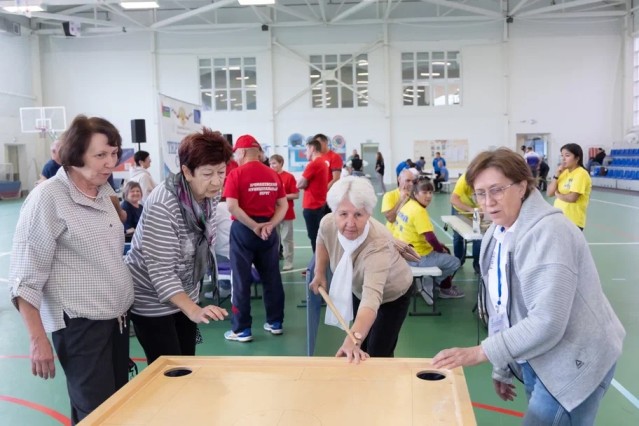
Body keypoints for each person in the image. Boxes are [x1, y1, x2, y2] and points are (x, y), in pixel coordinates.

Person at [433, 148, 625, 426]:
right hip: (537, 356)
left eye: (497, 190)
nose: (488, 202)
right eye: (480, 193)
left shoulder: (549, 233)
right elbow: (500, 307)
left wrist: (481, 352)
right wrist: (503, 365)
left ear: (522, 186)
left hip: (573, 360)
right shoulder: (496, 233)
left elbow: (547, 321)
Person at [9, 115, 134, 425]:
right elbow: (25, 278)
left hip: (116, 321)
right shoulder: (47, 198)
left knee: (116, 409)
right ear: (76, 155)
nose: (111, 162)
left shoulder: (103, 192)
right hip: (80, 327)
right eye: (100, 155)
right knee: (97, 414)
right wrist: (38, 339)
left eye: (114, 153)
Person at [126, 128, 231, 364]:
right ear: (186, 171)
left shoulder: (210, 193)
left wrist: (192, 304)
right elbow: (161, 272)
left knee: (187, 363)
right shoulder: (164, 204)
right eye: (208, 173)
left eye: (221, 172)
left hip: (186, 291)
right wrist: (194, 310)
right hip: (151, 299)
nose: (217, 181)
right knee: (169, 370)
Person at [309, 177, 413, 362]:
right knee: (361, 345)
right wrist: (319, 272)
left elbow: (371, 298)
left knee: (378, 353)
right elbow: (322, 239)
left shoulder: (378, 243)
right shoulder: (328, 223)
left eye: (358, 214)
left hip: (392, 294)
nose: (350, 223)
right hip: (359, 287)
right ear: (334, 212)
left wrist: (352, 339)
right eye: (343, 214)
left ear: (369, 214)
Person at [223, 135, 288, 342]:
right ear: (258, 152)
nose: (236, 157)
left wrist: (254, 226)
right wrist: (270, 225)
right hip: (268, 231)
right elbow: (283, 205)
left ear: (242, 152)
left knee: (241, 280)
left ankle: (241, 329)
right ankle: (275, 322)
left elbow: (232, 206)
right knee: (272, 277)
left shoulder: (236, 174)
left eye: (236, 153)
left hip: (244, 229)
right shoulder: (273, 174)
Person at [396, 178, 463, 301]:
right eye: (424, 192)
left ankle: (440, 284)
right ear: (415, 194)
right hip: (419, 257)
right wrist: (440, 249)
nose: (428, 196)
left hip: (405, 253)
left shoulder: (407, 205)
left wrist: (440, 247)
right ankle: (436, 283)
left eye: (430, 192)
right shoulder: (419, 211)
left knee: (445, 250)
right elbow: (430, 238)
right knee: (455, 262)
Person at [547, 143, 592, 231]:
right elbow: (549, 193)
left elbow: (572, 198)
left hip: (572, 221)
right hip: (559, 219)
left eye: (567, 155)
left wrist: (558, 195)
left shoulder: (581, 174)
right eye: (562, 155)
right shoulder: (563, 172)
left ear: (577, 158)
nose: (563, 159)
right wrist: (556, 175)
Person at [298, 138, 330, 253]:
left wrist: (305, 184)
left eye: (306, 149)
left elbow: (299, 184)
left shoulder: (314, 164)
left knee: (315, 238)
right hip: (319, 204)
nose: (305, 153)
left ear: (312, 148)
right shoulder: (323, 163)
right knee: (318, 237)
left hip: (312, 206)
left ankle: (318, 262)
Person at [269, 154, 300, 271]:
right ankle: (273, 260)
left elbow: (296, 195)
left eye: (274, 163)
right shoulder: (269, 177)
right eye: (270, 163)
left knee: (287, 238)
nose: (272, 166)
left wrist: (281, 197)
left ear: (281, 163)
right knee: (274, 239)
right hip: (273, 213)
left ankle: (288, 261)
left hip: (287, 213)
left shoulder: (289, 177)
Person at [450, 173, 481, 274]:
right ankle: (458, 260)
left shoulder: (485, 180)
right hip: (460, 209)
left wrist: (482, 210)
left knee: (478, 236)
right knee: (458, 236)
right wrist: (471, 210)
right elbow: (453, 199)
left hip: (477, 211)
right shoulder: (463, 180)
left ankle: (477, 263)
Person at [381, 169, 415, 236]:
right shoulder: (389, 195)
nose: (411, 184)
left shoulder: (415, 197)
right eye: (408, 180)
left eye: (413, 181)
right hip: (393, 236)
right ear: (399, 179)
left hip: (408, 236)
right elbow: (391, 219)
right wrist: (401, 200)